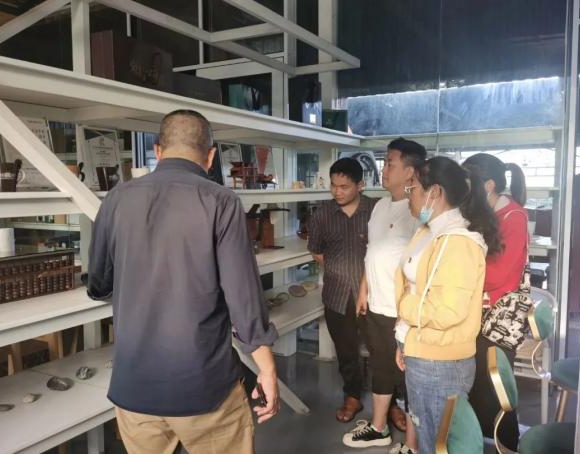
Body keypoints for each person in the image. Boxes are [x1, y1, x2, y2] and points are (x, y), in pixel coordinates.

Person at [87, 110, 279, 454]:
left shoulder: (116, 198)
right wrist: (267, 369)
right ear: (210, 156)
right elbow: (243, 298)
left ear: (158, 150)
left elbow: (99, 284)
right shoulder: (222, 201)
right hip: (204, 388)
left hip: (134, 388)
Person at [395, 156, 502, 453]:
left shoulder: (459, 243)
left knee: (436, 443)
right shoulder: (428, 231)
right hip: (421, 349)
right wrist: (404, 339)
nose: (408, 196)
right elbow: (415, 286)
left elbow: (447, 310)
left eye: (412, 188)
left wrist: (403, 308)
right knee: (426, 432)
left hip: (440, 363)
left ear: (435, 193)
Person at [342, 138, 426, 451]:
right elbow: (372, 251)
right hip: (376, 305)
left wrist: (409, 311)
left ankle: (413, 443)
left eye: (390, 163)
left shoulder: (419, 211)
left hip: (402, 311)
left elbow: (421, 264)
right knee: (380, 366)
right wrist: (364, 289)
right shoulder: (379, 205)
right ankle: (379, 428)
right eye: (385, 162)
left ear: (410, 172)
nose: (384, 168)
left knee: (409, 375)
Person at [464, 153, 528, 451]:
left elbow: (499, 273)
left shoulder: (514, 217)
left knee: (496, 389)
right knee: (475, 385)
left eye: (469, 183)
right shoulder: (482, 212)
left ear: (488, 185)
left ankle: (508, 446)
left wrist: (462, 273)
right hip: (477, 310)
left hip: (497, 317)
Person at [308, 157, 377, 423]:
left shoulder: (376, 210)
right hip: (337, 295)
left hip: (375, 294)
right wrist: (338, 268)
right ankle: (353, 396)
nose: (337, 192)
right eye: (334, 186)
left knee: (382, 349)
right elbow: (316, 251)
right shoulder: (322, 214)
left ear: (360, 185)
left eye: (344, 187)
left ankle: (392, 401)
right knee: (346, 351)